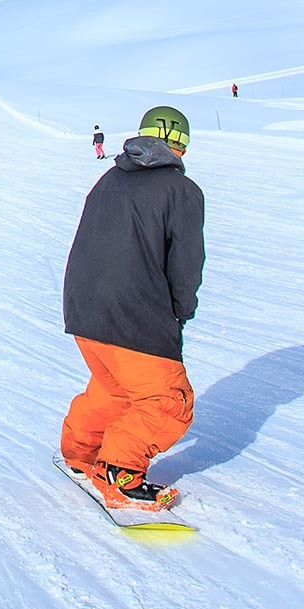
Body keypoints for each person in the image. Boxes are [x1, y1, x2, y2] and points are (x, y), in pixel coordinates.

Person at [60, 106, 205, 511]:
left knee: (115, 388)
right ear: (181, 146)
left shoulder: (109, 178)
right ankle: (120, 472)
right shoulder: (182, 191)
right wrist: (179, 311)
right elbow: (185, 261)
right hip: (134, 311)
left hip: (84, 307)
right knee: (168, 400)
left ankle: (81, 452)